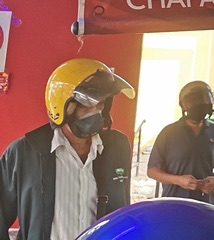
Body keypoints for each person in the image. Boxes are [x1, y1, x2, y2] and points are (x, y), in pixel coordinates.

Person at [0, 57, 136, 240]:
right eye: (87, 105)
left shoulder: (117, 146)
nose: (95, 112)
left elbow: (122, 210)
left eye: (100, 105)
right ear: (64, 107)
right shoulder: (23, 153)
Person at [147, 80, 214, 204]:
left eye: (203, 106)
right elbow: (152, 171)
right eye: (196, 106)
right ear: (184, 107)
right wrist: (178, 180)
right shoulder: (168, 133)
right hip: (173, 204)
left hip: (204, 204)